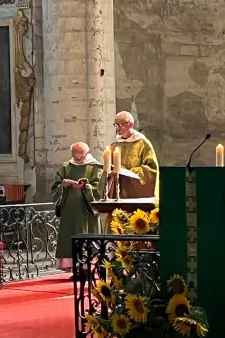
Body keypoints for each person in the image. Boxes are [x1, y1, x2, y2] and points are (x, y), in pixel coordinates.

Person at [52, 142, 103, 273]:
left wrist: (86, 187)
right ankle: (75, 267)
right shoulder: (66, 167)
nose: (78, 159)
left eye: (80, 156)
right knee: (70, 236)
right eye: (75, 156)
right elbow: (55, 186)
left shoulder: (94, 166)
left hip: (86, 210)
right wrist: (63, 185)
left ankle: (88, 268)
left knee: (86, 235)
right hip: (69, 209)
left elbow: (100, 187)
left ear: (86, 153)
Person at [108, 112, 159, 198]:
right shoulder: (114, 145)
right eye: (115, 124)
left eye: (120, 124)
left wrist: (128, 172)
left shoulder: (143, 143)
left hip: (136, 191)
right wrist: (109, 173)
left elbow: (151, 169)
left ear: (130, 124)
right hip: (118, 190)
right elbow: (109, 167)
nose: (117, 127)